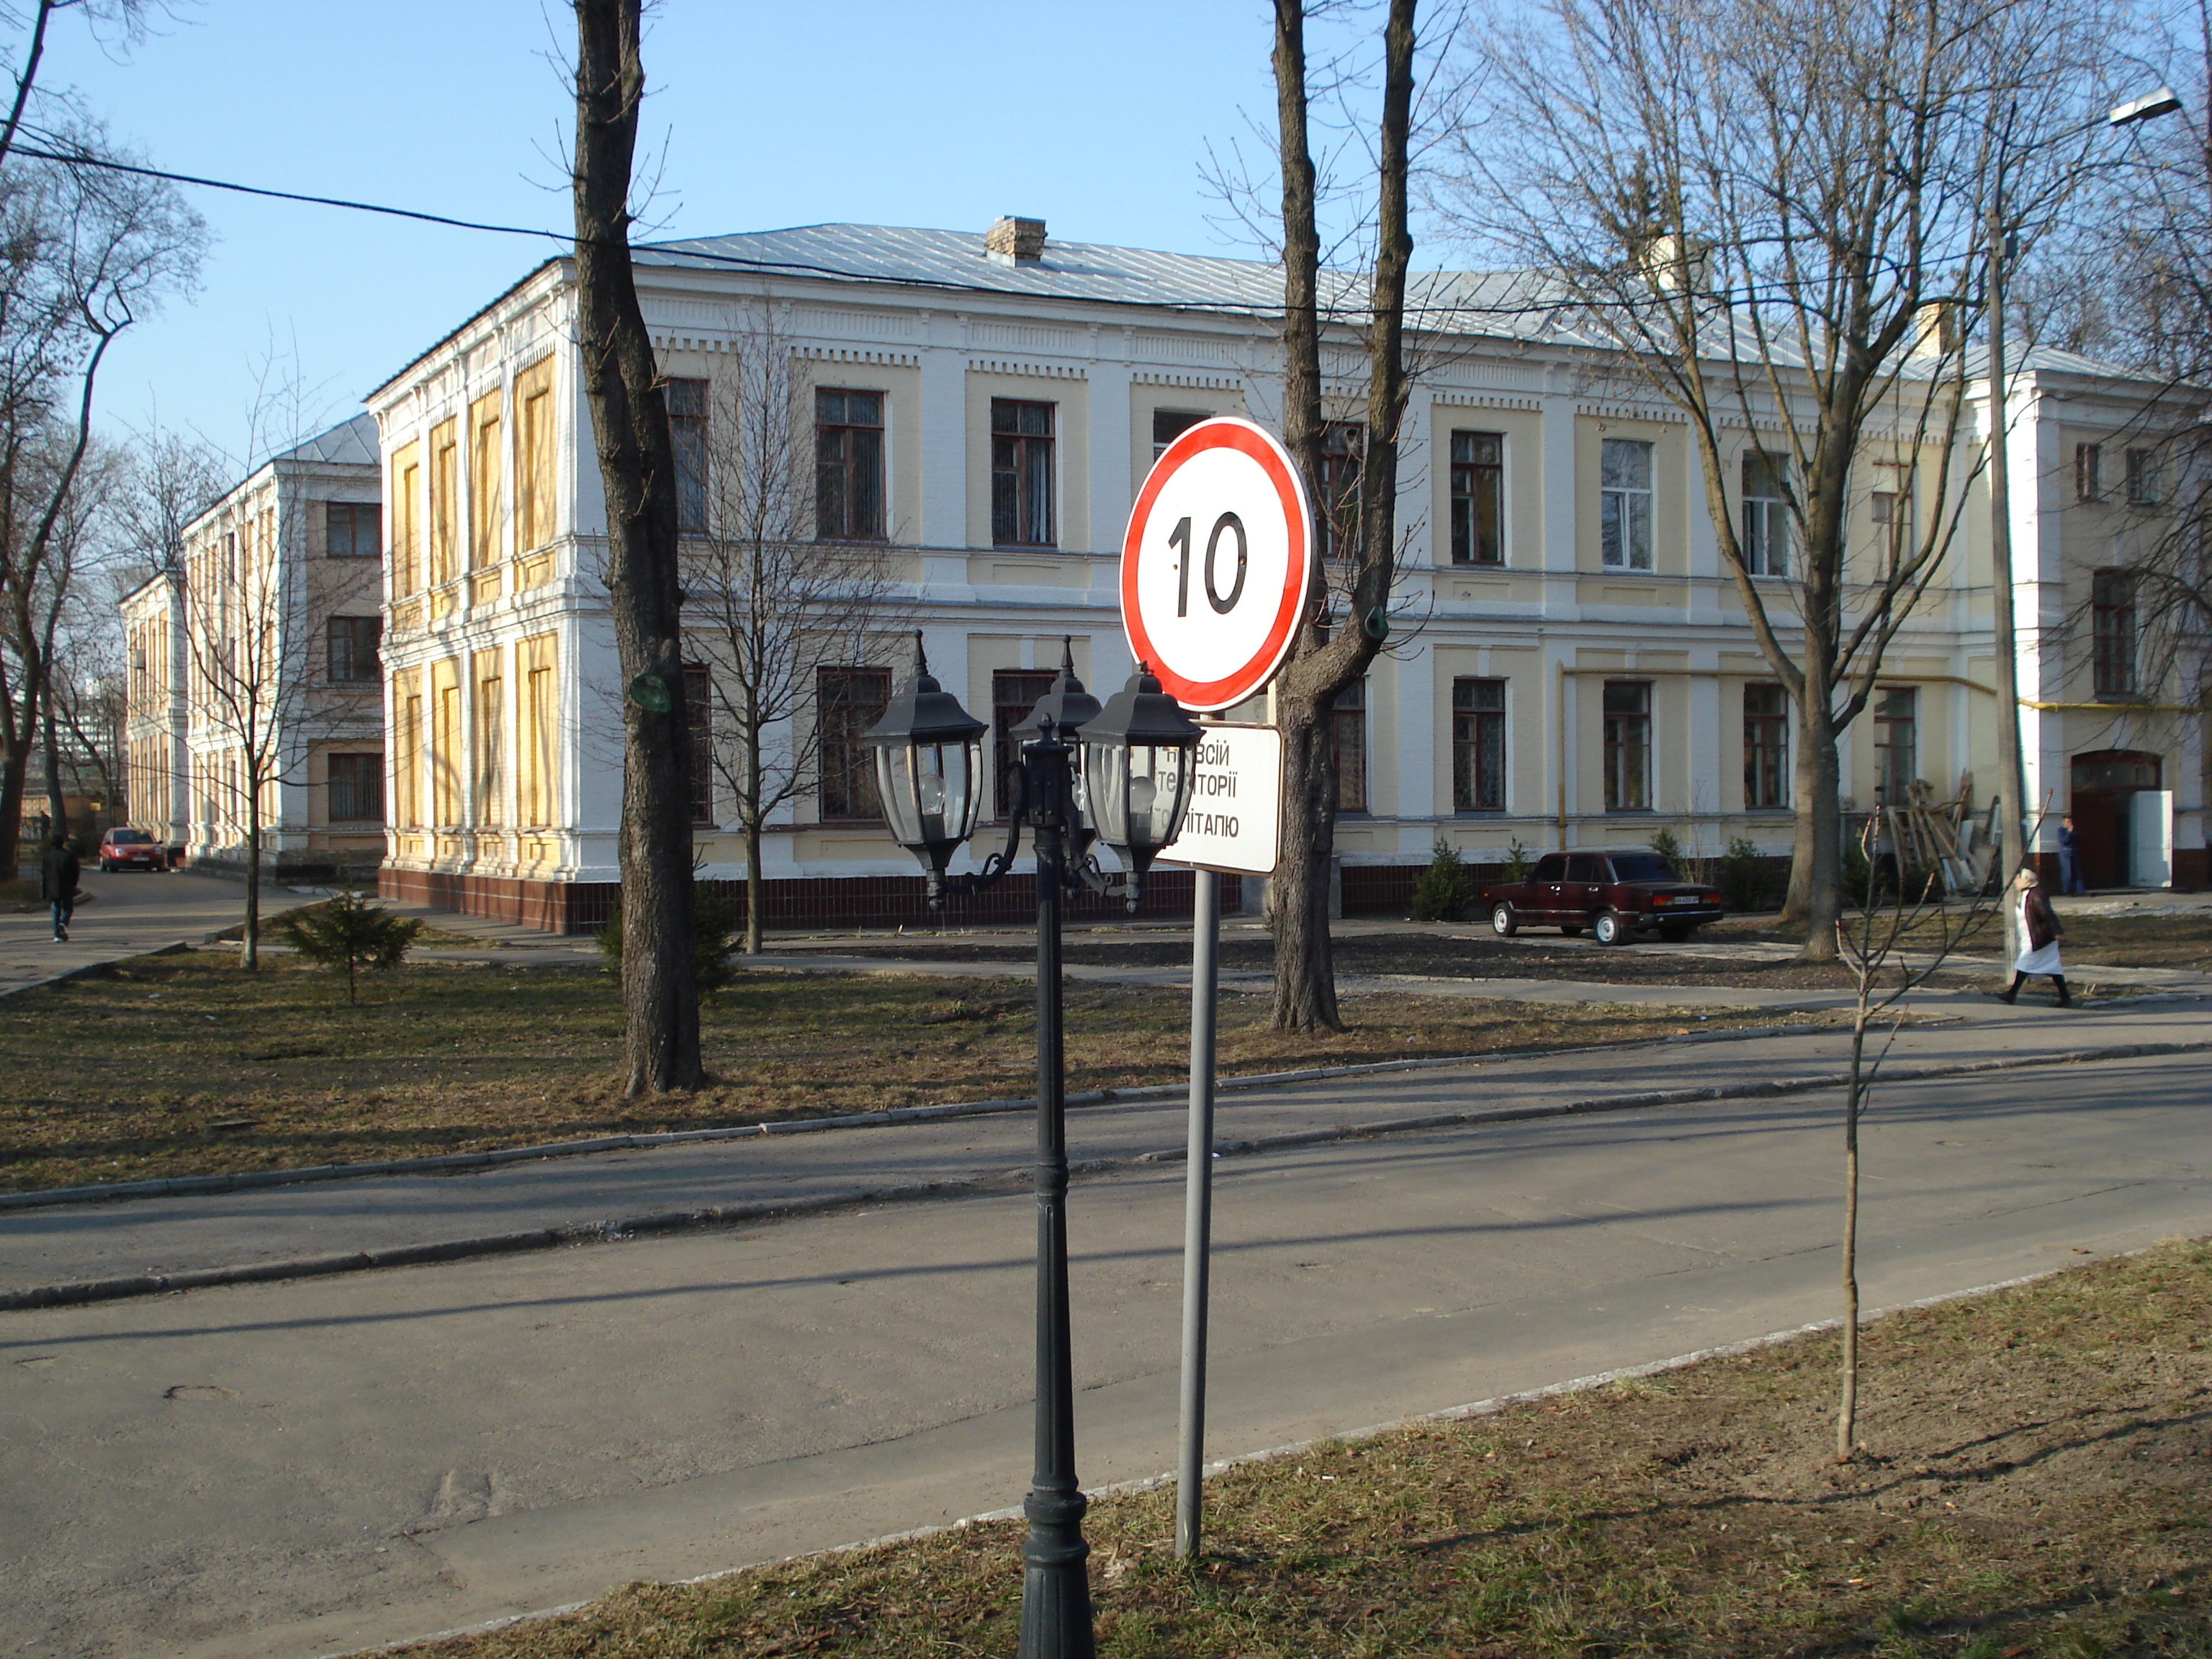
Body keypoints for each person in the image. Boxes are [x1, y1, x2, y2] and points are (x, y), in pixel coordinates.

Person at [2000, 866, 2069, 1007]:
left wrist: (2057, 931)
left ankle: (2011, 994)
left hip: (2039, 939)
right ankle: (2065, 998)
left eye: (2018, 879)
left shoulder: (2036, 895)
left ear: (2026, 880)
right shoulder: (2026, 894)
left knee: (2024, 963)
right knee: (2053, 968)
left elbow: (2047, 913)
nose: (2015, 882)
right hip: (2032, 937)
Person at [38, 833, 80, 943]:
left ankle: (57, 935)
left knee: (55, 910)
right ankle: (63, 924)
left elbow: (43, 874)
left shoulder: (47, 856)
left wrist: (44, 891)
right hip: (67, 886)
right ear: (62, 843)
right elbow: (75, 872)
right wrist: (73, 885)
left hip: (52, 887)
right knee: (68, 909)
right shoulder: (69, 855)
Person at [2058, 814, 2087, 895]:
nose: (2070, 824)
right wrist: (2069, 833)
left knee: (2076, 872)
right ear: (2064, 823)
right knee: (2068, 873)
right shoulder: (2061, 831)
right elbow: (2064, 841)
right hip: (2066, 853)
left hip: (2074, 852)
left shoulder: (2074, 831)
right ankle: (2067, 891)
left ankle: (2080, 891)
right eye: (2068, 822)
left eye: (2071, 822)